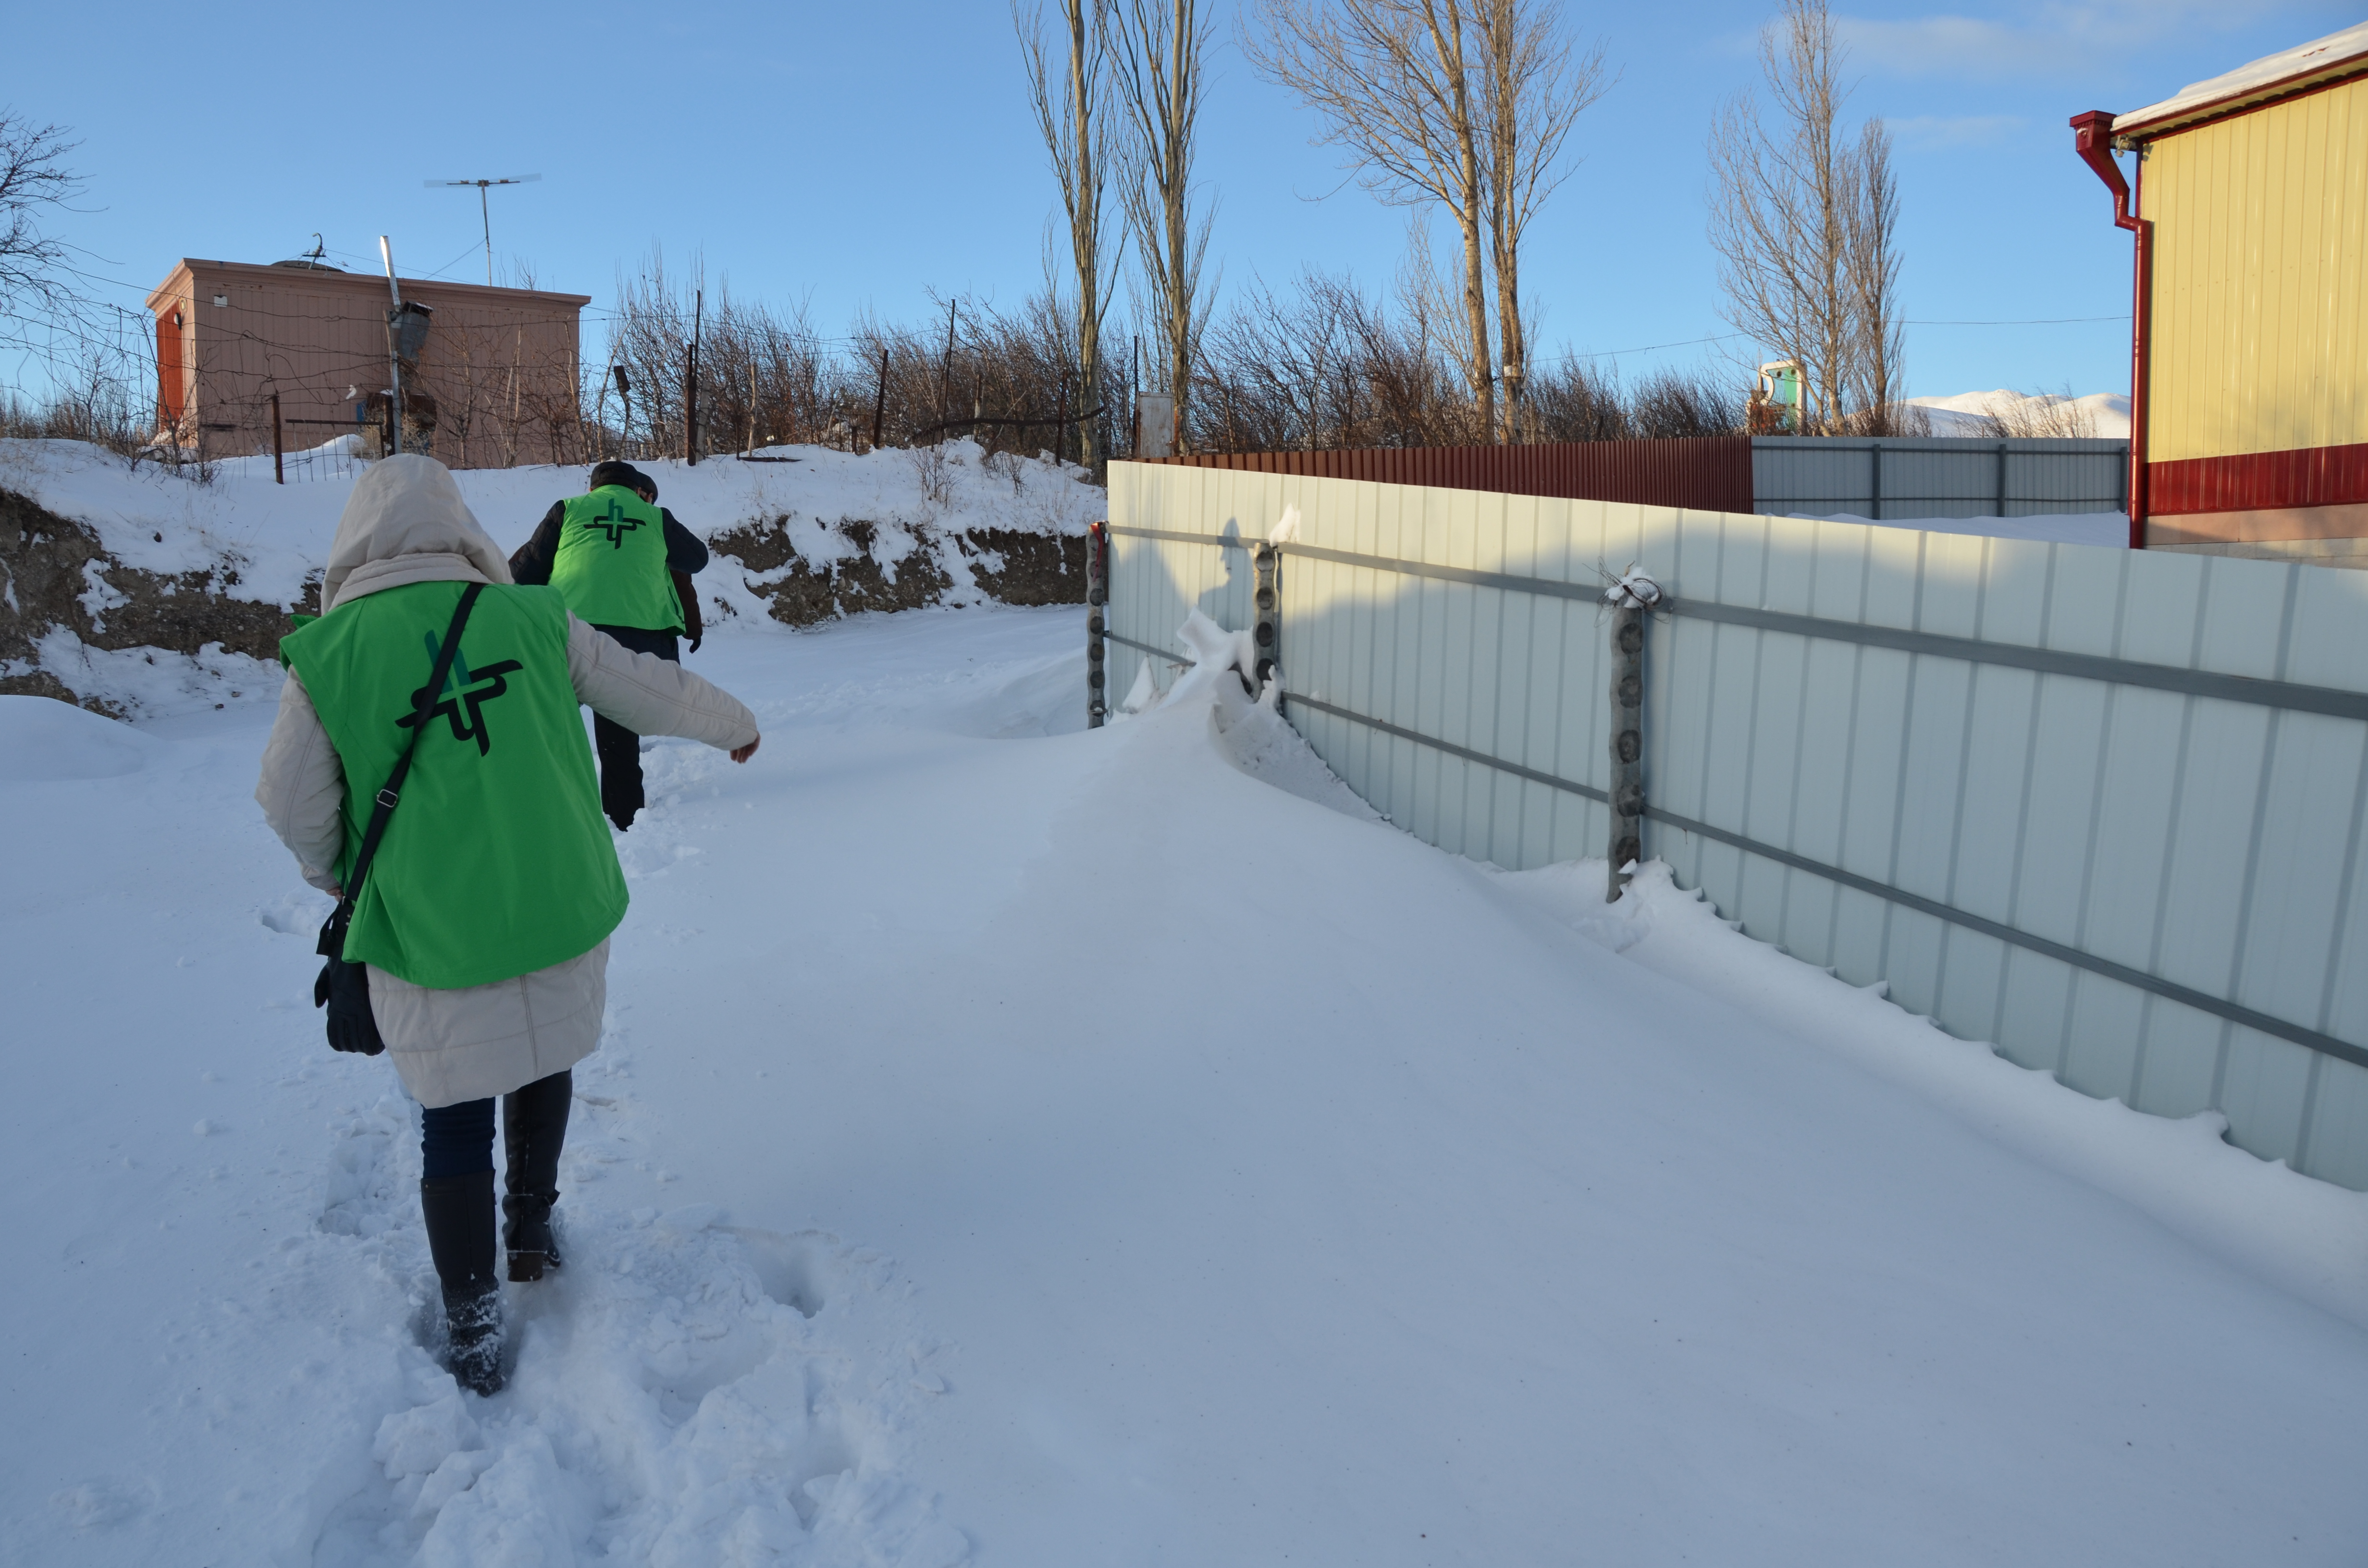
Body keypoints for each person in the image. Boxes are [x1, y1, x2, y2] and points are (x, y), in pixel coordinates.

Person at [257, 455, 760, 1396]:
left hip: (431, 922)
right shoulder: (532, 618)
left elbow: (290, 804)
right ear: (461, 530)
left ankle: (474, 1329)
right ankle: (529, 1233)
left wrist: (341, 881)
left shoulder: (327, 654)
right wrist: (736, 722)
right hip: (553, 901)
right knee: (543, 1054)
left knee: (453, 1119)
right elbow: (648, 684)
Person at [508, 461, 710, 830]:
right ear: (636, 490)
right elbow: (697, 559)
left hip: (569, 634)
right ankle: (624, 818)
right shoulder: (654, 517)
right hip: (638, 640)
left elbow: (522, 575)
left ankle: (543, 812)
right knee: (618, 735)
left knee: (550, 722)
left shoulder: (568, 510)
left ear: (592, 489)